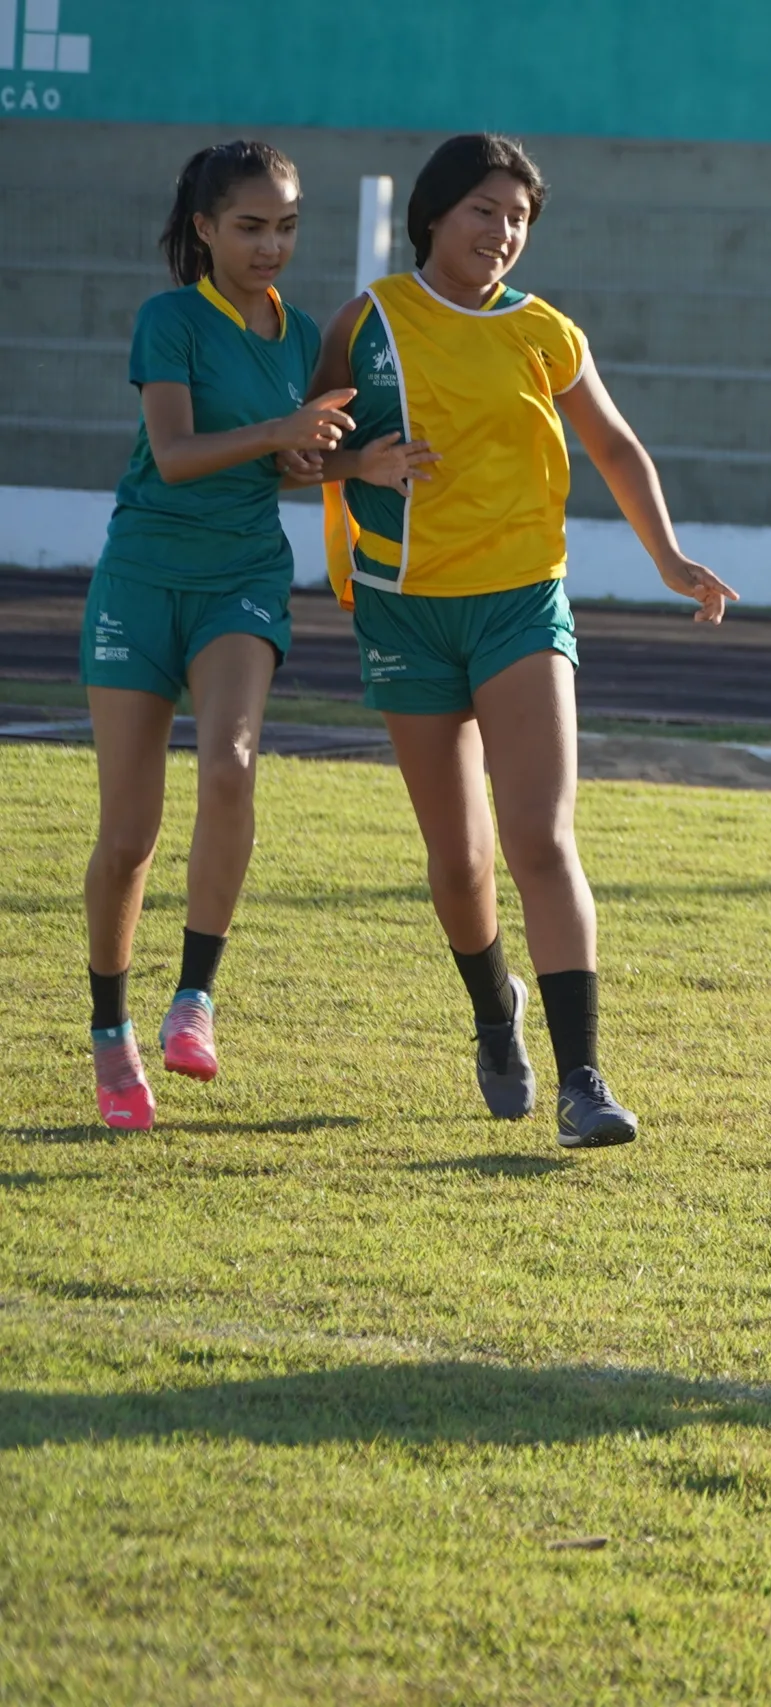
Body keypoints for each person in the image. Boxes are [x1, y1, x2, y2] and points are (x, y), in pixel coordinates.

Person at [307, 134, 738, 1148]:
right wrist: (356, 464)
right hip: (405, 608)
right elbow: (297, 453)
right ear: (433, 215)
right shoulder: (368, 322)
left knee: (540, 839)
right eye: (484, 211)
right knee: (458, 867)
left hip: (520, 605)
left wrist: (669, 559)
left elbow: (616, 447)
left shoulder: (545, 331)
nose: (502, 234)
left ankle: (585, 1080)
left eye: (519, 219)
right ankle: (494, 1017)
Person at [78, 141, 393, 1130]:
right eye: (250, 226)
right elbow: (175, 456)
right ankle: (109, 1034)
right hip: (142, 574)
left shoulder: (301, 335)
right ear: (205, 227)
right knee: (128, 836)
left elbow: (286, 467)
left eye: (287, 226)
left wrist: (356, 464)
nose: (271, 245)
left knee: (233, 764)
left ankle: (194, 1000)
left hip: (242, 579)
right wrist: (284, 430)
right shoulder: (167, 321)